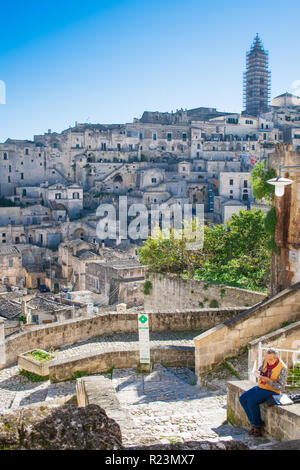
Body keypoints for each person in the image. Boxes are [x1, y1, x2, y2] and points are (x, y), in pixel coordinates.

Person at [239, 348, 288, 437]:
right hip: (261, 386)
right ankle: (253, 422)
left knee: (251, 400)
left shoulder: (283, 368)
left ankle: (257, 426)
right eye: (267, 358)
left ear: (276, 358)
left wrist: (269, 381)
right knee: (242, 398)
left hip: (272, 390)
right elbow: (262, 371)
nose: (268, 361)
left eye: (270, 359)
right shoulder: (266, 361)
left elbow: (282, 387)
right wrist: (259, 373)